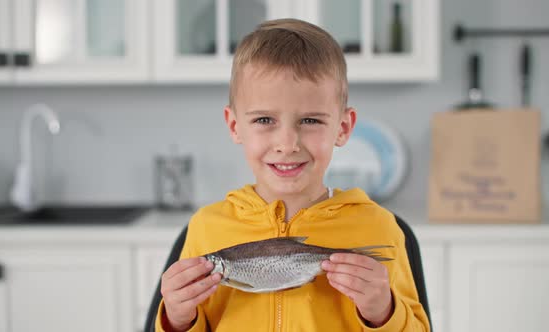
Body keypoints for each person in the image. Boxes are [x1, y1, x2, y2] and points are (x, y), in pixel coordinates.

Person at [156, 18, 430, 332]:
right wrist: (177, 319)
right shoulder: (206, 228)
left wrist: (383, 313)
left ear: (342, 128)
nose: (287, 144)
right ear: (234, 126)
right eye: (264, 120)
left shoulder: (378, 228)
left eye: (310, 120)